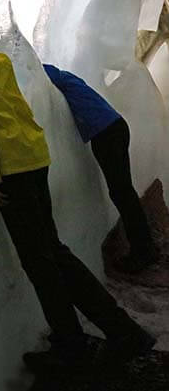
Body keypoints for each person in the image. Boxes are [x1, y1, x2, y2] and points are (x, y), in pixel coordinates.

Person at [0, 0, 154, 372]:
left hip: (11, 170)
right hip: (35, 159)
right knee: (53, 253)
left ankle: (79, 344)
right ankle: (112, 333)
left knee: (41, 262)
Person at [43, 64, 159, 273]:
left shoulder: (55, 76)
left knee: (122, 192)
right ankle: (145, 246)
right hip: (113, 128)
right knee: (123, 192)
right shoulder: (70, 78)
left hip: (106, 133)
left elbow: (39, 75)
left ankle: (143, 251)